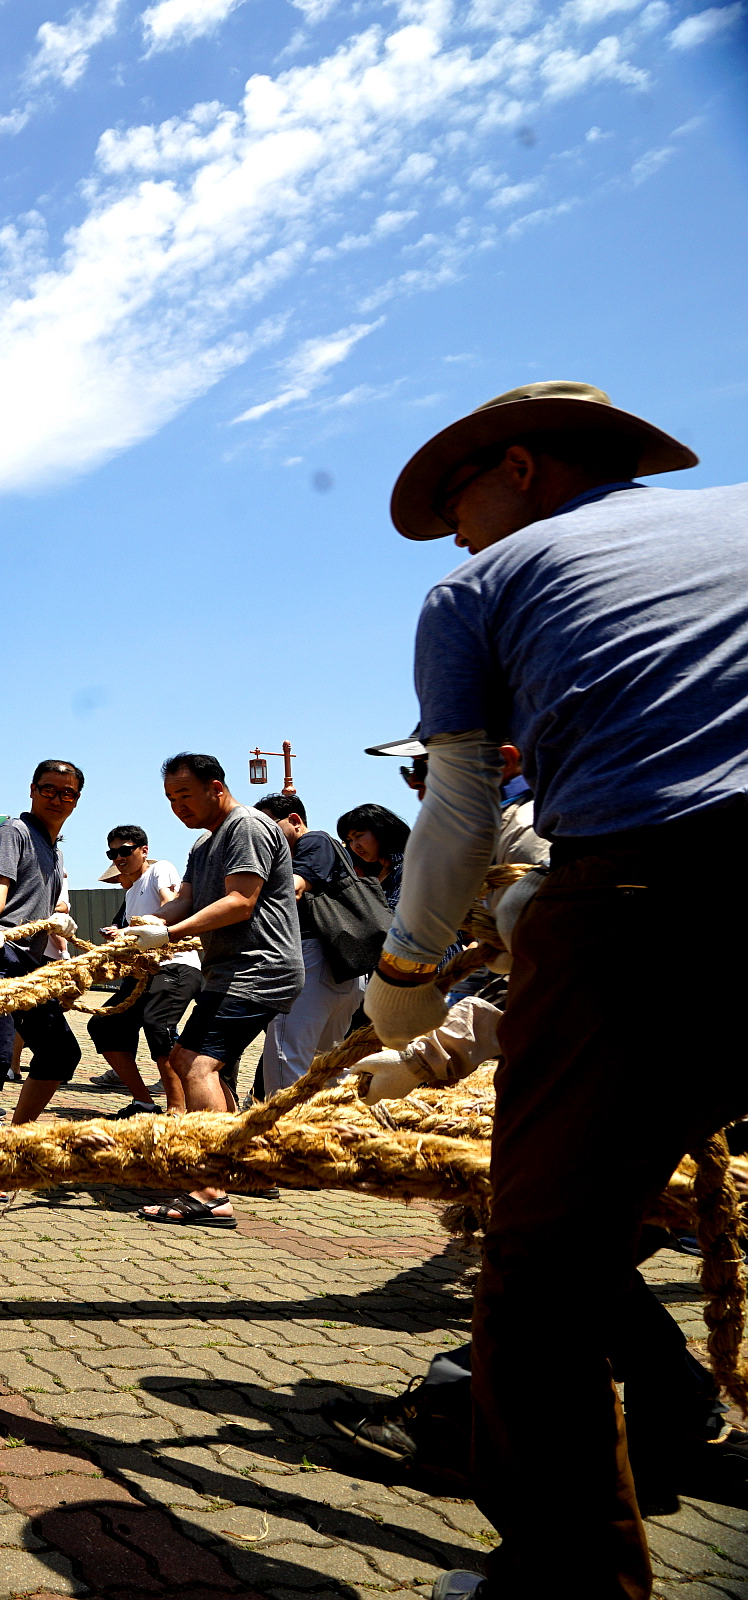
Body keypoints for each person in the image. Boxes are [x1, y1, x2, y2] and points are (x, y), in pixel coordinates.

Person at [360, 381, 748, 1600]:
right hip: (636, 900)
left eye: (458, 505)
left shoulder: (477, 590)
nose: (457, 536)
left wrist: (407, 978)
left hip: (650, 897)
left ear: (520, 467)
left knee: (539, 1269)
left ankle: (569, 1585)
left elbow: (462, 809)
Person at [120, 753, 299, 1228]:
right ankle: (238, 1164)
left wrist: (170, 937)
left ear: (216, 788)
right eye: (170, 799)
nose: (178, 807)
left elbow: (241, 901)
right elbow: (187, 899)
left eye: (185, 795)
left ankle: (211, 1192)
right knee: (188, 1062)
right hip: (228, 972)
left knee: (198, 1065)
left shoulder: (248, 826)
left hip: (259, 969)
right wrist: (146, 925)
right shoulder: (204, 844)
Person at [0, 760, 84, 1127]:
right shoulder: (14, 832)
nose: (57, 798)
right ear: (32, 789)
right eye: (48, 789)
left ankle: (16, 1137)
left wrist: (60, 916)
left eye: (67, 793)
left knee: (60, 1053)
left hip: (28, 962)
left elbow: (42, 899)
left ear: (76, 800)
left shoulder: (55, 850)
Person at [251, 793, 365, 1096]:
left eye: (268, 825)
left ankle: (284, 1134)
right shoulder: (318, 847)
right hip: (342, 966)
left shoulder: (314, 841)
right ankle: (332, 1131)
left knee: (286, 1060)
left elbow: (295, 887)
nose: (263, 834)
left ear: (295, 821)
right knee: (328, 1067)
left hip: (314, 960)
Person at [83, 825, 189, 1118]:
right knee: (103, 1027)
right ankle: (143, 1101)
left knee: (159, 1027)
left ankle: (177, 1109)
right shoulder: (131, 895)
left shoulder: (160, 870)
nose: (118, 857)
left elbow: (174, 905)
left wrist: (144, 928)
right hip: (143, 973)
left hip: (174, 965)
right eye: (112, 852)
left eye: (125, 850)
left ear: (144, 851)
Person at [336, 803, 410, 909]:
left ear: (381, 831)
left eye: (358, 836)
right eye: (350, 840)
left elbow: (395, 913)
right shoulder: (370, 873)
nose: (355, 845)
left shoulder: (407, 867)